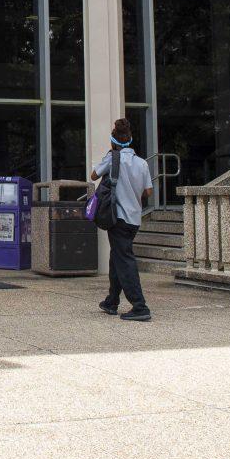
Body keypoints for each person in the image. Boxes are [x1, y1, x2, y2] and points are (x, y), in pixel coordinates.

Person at [90, 118, 154, 321]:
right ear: (130, 140)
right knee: (116, 257)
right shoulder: (142, 163)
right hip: (134, 218)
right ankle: (111, 301)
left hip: (117, 218)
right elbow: (148, 192)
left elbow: (93, 175)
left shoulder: (112, 158)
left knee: (124, 260)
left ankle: (140, 306)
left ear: (113, 141)